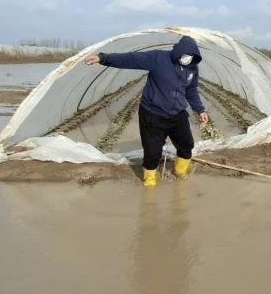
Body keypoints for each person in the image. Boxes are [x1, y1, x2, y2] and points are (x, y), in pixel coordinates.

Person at [85, 35, 210, 187]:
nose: (188, 58)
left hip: (177, 114)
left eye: (191, 56)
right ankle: (150, 183)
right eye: (186, 55)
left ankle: (180, 173)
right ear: (179, 51)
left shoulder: (192, 68)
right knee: (152, 152)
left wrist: (200, 109)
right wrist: (102, 58)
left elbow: (191, 90)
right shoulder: (158, 58)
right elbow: (131, 59)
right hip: (153, 114)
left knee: (187, 145)